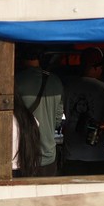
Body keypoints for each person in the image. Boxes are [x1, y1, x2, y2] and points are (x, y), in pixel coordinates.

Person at [60, 47, 104, 176]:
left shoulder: (66, 87)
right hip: (98, 153)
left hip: (72, 152)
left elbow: (59, 114)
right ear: (95, 67)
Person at [15, 45, 63, 176]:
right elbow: (58, 120)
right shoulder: (56, 81)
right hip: (48, 154)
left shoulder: (14, 81)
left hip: (23, 154)